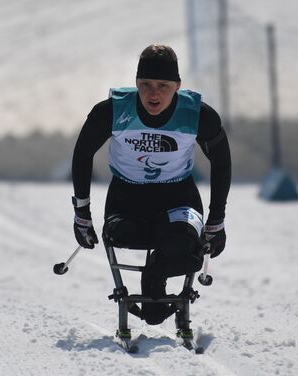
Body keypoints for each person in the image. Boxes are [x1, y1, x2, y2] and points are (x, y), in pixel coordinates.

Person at [71, 44, 231, 325]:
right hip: (127, 198)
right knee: (125, 235)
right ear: (136, 83)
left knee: (186, 245)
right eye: (145, 84)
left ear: (178, 86)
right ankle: (158, 288)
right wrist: (82, 212)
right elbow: (83, 153)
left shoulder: (198, 115)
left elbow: (222, 162)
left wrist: (217, 218)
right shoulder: (112, 111)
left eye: (163, 85)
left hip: (178, 197)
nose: (153, 93)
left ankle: (155, 275)